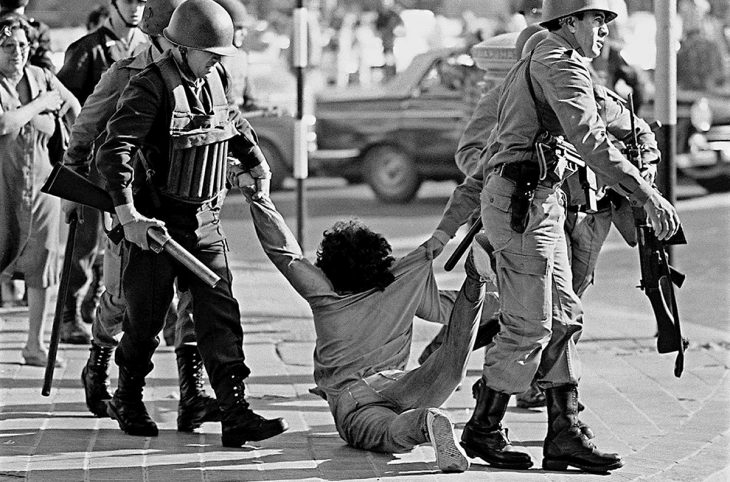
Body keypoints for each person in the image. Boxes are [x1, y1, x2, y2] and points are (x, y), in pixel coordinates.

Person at [429, 0, 680, 473]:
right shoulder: (557, 61)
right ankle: (483, 428)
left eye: (606, 21)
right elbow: (590, 139)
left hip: (540, 202)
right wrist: (648, 195)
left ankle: (564, 432)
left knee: (564, 315)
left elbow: (618, 132)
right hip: (524, 204)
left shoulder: (559, 63)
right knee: (528, 326)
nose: (604, 30)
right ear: (569, 21)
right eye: (597, 19)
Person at [95, 0, 286, 446]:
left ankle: (235, 411)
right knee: (144, 323)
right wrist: (128, 216)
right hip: (157, 229)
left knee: (221, 316)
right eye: (211, 53)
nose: (220, 60)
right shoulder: (149, 86)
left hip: (204, 221)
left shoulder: (215, 77)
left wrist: (255, 160)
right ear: (181, 48)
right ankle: (128, 398)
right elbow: (114, 149)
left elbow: (232, 122)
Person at [231, 175, 488, 473]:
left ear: (328, 267)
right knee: (450, 365)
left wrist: (259, 198)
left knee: (386, 433)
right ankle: (476, 279)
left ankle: (426, 421)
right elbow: (446, 308)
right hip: (398, 382)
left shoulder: (325, 295)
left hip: (353, 399)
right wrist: (483, 293)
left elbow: (285, 253)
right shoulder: (401, 281)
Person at [63, 0, 221, 434]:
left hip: (187, 208)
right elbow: (87, 127)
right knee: (120, 297)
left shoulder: (203, 68)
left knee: (192, 297)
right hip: (131, 205)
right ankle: (99, 360)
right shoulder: (127, 73)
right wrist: (73, 186)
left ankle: (194, 392)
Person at [56, 0, 147, 344]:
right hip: (93, 163)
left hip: (134, 163)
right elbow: (64, 101)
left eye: (142, 1)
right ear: (112, 3)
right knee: (84, 243)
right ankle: (68, 315)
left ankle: (111, 311)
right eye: (128, 0)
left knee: (131, 242)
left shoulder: (150, 47)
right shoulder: (87, 50)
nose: (136, 8)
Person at [0, 16, 80, 367]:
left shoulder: (42, 76)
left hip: (43, 186)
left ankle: (34, 344)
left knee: (43, 264)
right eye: (7, 46)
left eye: (22, 45)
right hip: (3, 187)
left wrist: (77, 151)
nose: (17, 52)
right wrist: (38, 107)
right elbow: (4, 124)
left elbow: (75, 108)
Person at [0, 0, 55, 72]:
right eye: (9, 46)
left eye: (22, 45)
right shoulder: (38, 29)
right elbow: (47, 70)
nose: (17, 52)